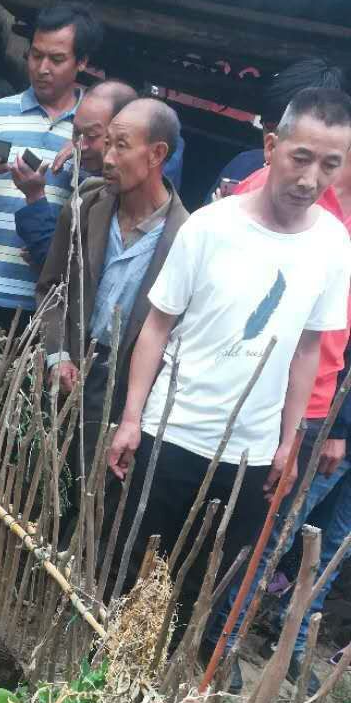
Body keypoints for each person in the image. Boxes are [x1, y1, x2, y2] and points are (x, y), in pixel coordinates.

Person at [105, 88, 351, 645]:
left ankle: (151, 700)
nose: (312, 178)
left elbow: (310, 349)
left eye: (330, 165)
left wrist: (289, 443)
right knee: (130, 571)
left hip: (252, 453)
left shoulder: (334, 246)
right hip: (172, 432)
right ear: (271, 146)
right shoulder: (210, 227)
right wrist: (131, 417)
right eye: (301, 157)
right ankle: (98, 680)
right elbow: (157, 326)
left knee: (202, 585)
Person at [210, 138, 351, 693]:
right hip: (314, 408)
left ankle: (293, 645)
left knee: (332, 542)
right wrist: (337, 428)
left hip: (326, 411)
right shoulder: (312, 215)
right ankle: (220, 639)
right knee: (270, 535)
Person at [37, 98, 189, 482]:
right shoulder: (86, 206)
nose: (107, 157)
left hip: (125, 388)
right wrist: (57, 356)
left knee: (93, 493)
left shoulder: (186, 237)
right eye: (107, 144)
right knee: (37, 480)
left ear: (157, 154)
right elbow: (52, 286)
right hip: (69, 368)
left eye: (121, 145)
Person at [0, 3, 102, 328]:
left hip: (51, 299)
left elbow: (105, 207)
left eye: (57, 59)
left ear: (83, 62)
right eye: (35, 55)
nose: (42, 67)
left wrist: (86, 151)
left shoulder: (93, 130)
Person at [16, 80, 138, 271]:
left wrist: (34, 196)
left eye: (92, 135)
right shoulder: (84, 175)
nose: (80, 145)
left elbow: (64, 267)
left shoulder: (127, 196)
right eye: (75, 133)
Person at [207, 57, 348, 202]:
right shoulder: (244, 163)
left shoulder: (338, 209)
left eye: (301, 158)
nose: (274, 145)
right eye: (269, 126)